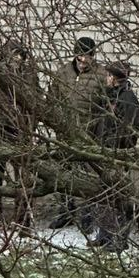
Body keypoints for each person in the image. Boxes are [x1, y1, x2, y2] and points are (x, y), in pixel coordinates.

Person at [48, 34, 107, 231]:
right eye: (79, 57)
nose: (83, 62)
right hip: (64, 135)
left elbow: (106, 108)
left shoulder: (101, 76)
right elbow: (52, 99)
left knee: (87, 177)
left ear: (93, 56)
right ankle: (66, 210)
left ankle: (87, 215)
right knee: (63, 173)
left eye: (87, 58)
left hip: (88, 136)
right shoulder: (63, 73)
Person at [89, 60, 139, 253]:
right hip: (104, 153)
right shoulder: (109, 97)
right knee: (105, 197)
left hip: (117, 155)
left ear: (114, 78)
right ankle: (104, 236)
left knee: (120, 198)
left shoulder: (127, 100)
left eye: (108, 75)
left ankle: (120, 239)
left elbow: (128, 132)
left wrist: (116, 151)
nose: (106, 79)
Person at [0, 40, 33, 225]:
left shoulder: (28, 75)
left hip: (19, 129)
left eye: (19, 55)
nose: (17, 59)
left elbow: (36, 102)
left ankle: (23, 217)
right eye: (13, 55)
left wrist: (29, 127)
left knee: (23, 174)